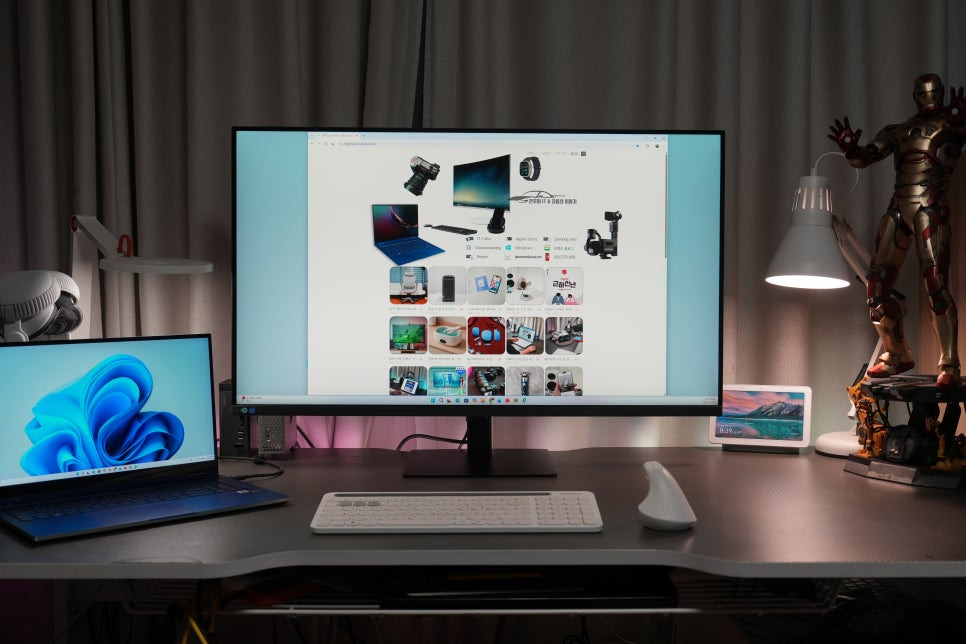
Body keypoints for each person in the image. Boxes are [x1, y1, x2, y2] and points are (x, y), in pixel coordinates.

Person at [829, 73, 966, 387]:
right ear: (915, 96)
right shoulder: (900, 130)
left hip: (931, 207)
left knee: (936, 284)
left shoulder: (951, 126)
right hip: (899, 208)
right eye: (924, 92)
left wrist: (960, 122)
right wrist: (850, 148)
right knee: (875, 286)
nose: (930, 97)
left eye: (934, 92)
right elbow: (865, 157)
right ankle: (896, 353)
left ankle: (949, 364)